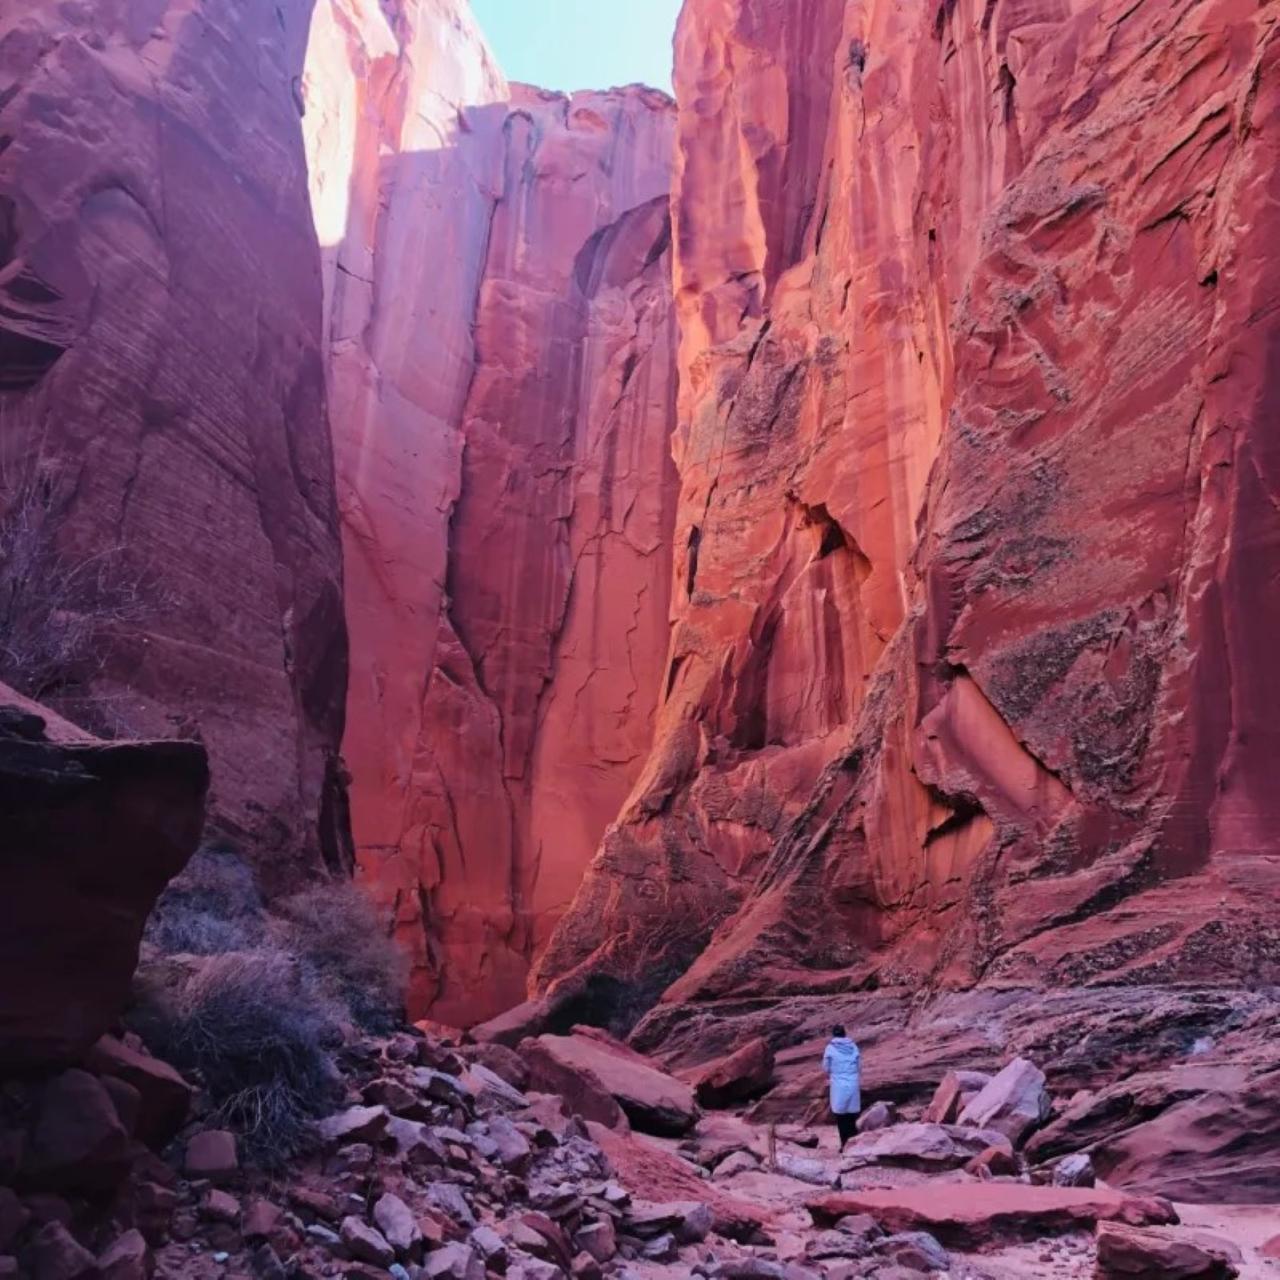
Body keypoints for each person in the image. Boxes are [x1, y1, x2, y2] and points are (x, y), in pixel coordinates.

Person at [823, 1024, 861, 1149]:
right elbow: (859, 1066)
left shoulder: (830, 1048)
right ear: (845, 1034)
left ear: (834, 1034)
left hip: (838, 1085)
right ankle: (854, 1144)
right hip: (853, 1083)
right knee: (851, 1116)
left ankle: (844, 1144)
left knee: (841, 1117)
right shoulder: (853, 1046)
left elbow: (826, 1067)